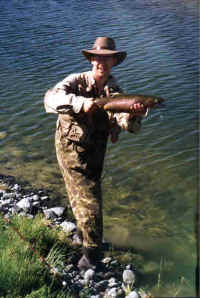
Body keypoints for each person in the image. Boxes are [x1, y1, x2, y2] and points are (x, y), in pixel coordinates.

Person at [44, 37, 147, 271]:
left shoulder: (116, 90)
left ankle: (83, 235)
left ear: (113, 61)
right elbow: (50, 99)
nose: (102, 61)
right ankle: (90, 258)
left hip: (96, 152)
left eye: (107, 57)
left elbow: (128, 126)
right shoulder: (75, 81)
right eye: (98, 57)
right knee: (91, 203)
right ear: (92, 59)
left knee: (86, 196)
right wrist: (81, 103)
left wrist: (134, 115)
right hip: (70, 150)